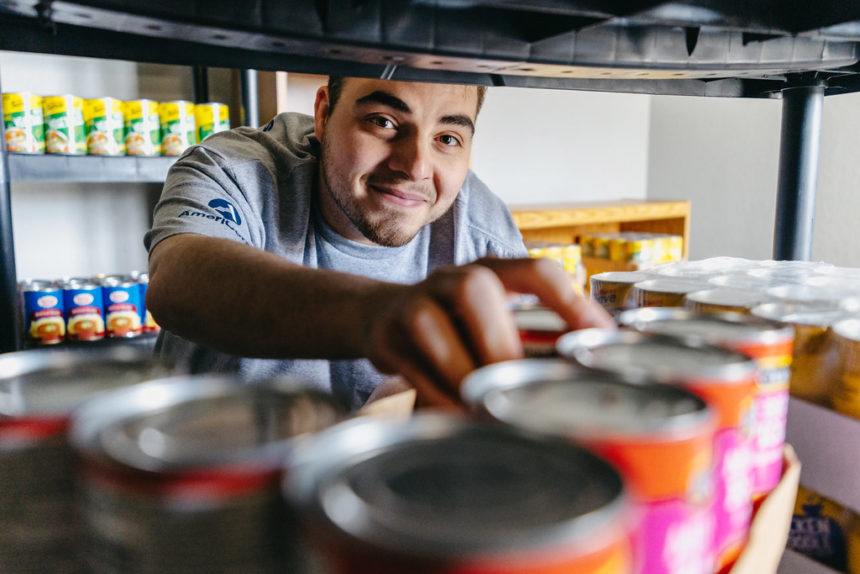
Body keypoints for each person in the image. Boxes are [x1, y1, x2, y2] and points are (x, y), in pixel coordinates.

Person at [144, 76, 613, 410]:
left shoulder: (479, 222)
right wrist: (384, 317)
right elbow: (179, 279)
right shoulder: (237, 169)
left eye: (448, 137)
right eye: (385, 122)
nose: (415, 166)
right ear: (324, 115)